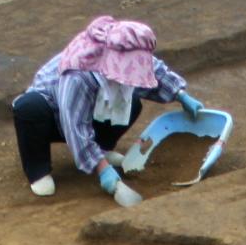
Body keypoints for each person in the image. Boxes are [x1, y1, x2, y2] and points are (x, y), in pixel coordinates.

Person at [11, 15, 207, 200]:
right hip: (53, 115)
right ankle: (38, 170)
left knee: (132, 103)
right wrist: (102, 169)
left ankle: (101, 148)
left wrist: (181, 95)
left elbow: (156, 71)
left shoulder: (128, 48)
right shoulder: (78, 75)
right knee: (29, 108)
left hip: (89, 109)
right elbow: (74, 124)